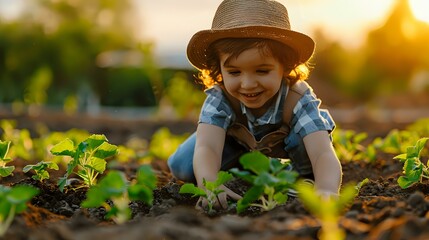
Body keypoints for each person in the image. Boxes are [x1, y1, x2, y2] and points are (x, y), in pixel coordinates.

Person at [168, 0, 342, 210]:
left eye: (262, 71)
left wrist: (327, 189)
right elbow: (208, 147)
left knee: (310, 149)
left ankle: (303, 178)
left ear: (284, 67)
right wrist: (211, 185)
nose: (248, 84)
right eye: (234, 72)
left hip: (290, 146)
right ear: (219, 70)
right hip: (234, 146)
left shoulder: (298, 98)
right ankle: (246, 173)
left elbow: (322, 152)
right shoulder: (219, 97)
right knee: (183, 165)